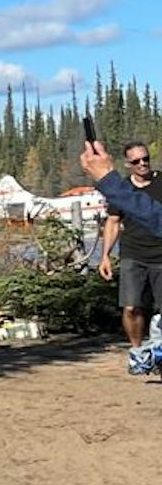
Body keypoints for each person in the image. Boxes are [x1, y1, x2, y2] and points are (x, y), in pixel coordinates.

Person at [95, 140, 162, 370]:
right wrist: (105, 255)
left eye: (145, 159)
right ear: (127, 164)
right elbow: (113, 223)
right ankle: (138, 352)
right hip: (133, 253)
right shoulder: (122, 191)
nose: (142, 163)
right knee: (131, 307)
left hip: (161, 256)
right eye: (136, 161)